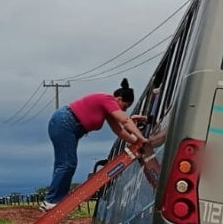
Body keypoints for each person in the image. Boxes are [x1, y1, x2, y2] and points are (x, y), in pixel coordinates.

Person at [41, 77, 148, 211]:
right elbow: (125, 121)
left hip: (66, 125)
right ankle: (52, 200)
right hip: (65, 122)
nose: (124, 110)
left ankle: (55, 199)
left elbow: (119, 131)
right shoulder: (107, 99)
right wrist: (142, 138)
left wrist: (136, 142)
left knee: (65, 163)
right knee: (67, 163)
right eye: (125, 106)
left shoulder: (106, 110)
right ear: (118, 99)